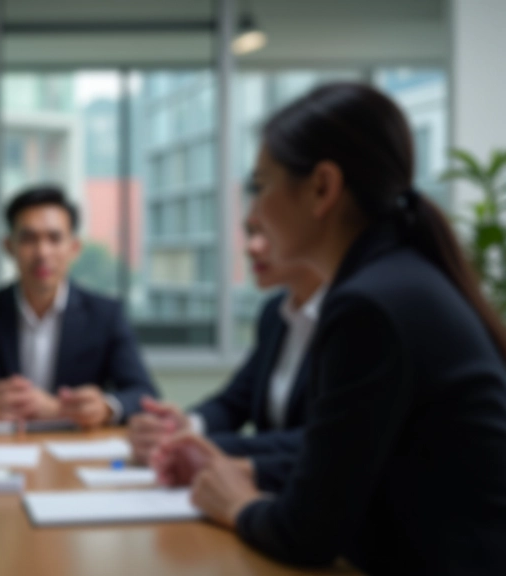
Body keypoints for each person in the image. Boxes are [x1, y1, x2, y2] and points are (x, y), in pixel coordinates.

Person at [150, 83, 506, 574]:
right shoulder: (397, 279)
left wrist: (237, 504)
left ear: (322, 188)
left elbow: (306, 533)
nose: (253, 216)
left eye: (260, 186)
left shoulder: (369, 304)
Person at [0, 185, 158, 426]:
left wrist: (104, 408)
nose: (42, 252)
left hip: (76, 452)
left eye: (54, 238)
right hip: (1, 452)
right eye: (28, 239)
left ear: (74, 248)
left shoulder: (105, 314)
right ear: (9, 246)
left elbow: (144, 395)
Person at [127, 204, 325, 492]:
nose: (252, 247)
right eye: (250, 232)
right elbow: (235, 402)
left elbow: (319, 439)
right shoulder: (275, 313)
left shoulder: (347, 314)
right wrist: (185, 426)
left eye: (266, 232)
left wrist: (200, 446)